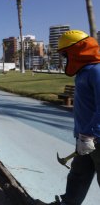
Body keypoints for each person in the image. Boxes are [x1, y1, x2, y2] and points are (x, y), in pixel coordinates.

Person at [47, 30, 100, 205]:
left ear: (76, 51)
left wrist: (90, 134)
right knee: (78, 175)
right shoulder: (84, 72)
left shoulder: (96, 71)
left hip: (94, 138)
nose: (64, 60)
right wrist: (82, 136)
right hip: (84, 138)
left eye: (65, 55)